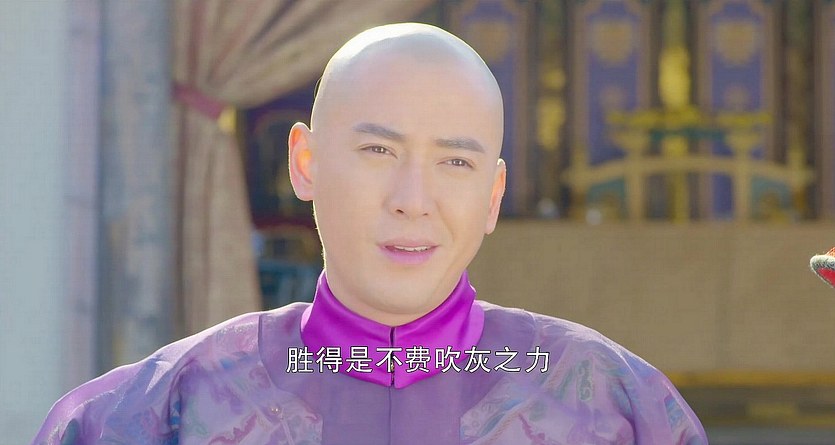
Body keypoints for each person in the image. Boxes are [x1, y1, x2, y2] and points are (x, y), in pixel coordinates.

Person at [33, 23, 707, 444]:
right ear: (306, 163)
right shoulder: (166, 406)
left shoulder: (609, 403)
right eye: (378, 151)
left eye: (455, 162)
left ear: (493, 194)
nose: (412, 201)